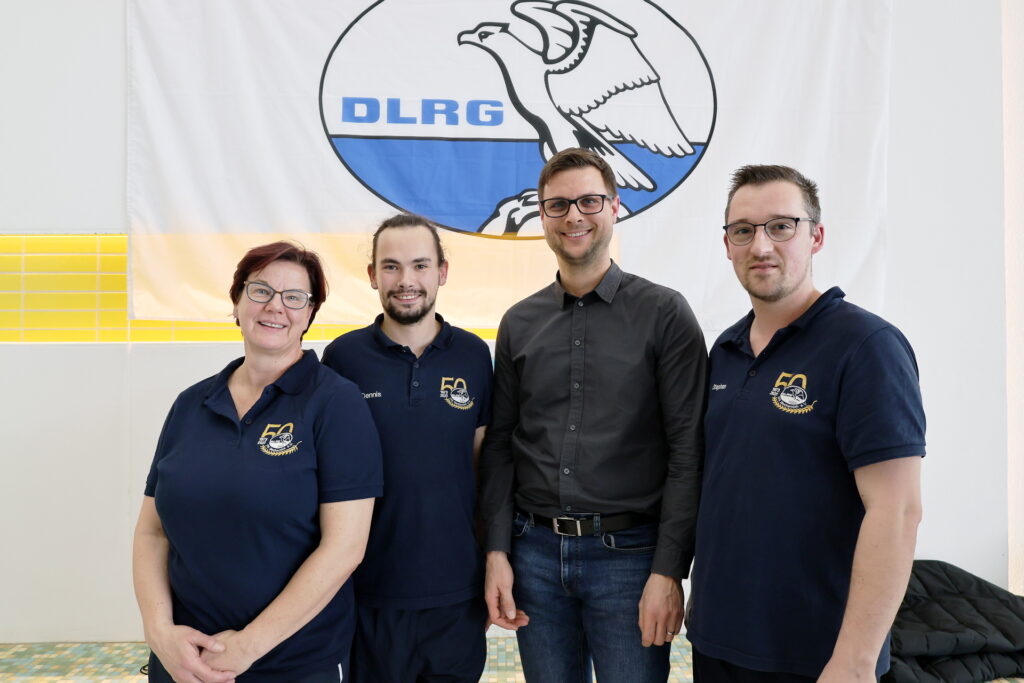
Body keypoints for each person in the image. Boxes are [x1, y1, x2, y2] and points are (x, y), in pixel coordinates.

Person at [685, 165, 925, 682]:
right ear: (727, 245)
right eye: (743, 230)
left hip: (816, 655)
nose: (761, 245)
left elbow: (898, 510)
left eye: (781, 226)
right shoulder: (724, 351)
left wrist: (856, 660)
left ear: (815, 236)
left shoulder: (866, 347)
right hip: (718, 640)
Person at [479, 147, 708, 683]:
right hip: (532, 553)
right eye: (557, 205)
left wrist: (669, 571)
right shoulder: (518, 321)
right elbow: (501, 445)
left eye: (588, 201)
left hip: (629, 560)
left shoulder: (665, 314)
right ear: (542, 217)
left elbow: (687, 451)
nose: (573, 216)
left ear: (615, 207)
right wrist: (496, 550)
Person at [132, 242, 382, 683]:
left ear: (309, 314)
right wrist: (160, 634)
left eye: (294, 297)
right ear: (236, 302)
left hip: (294, 662)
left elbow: (345, 548)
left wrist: (247, 646)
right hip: (184, 661)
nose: (275, 306)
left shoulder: (335, 403)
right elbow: (152, 531)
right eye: (260, 290)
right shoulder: (191, 404)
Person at [321, 214, 493, 682]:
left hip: (456, 597)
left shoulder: (475, 356)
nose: (406, 281)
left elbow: (484, 472)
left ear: (442, 271)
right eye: (392, 267)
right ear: (373, 275)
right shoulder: (343, 358)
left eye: (420, 265)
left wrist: (494, 561)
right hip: (367, 594)